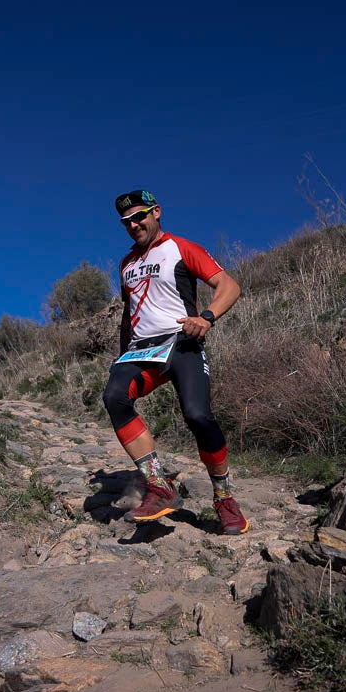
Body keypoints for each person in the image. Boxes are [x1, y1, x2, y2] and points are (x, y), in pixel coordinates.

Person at [102, 189, 249, 535]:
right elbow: (129, 313)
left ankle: (224, 498)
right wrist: (123, 350)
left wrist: (208, 317)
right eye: (127, 222)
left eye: (140, 216)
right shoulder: (125, 265)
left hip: (182, 344)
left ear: (157, 212)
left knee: (198, 416)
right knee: (114, 397)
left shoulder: (182, 248)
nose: (134, 224)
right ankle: (159, 487)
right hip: (141, 351)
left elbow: (229, 285)